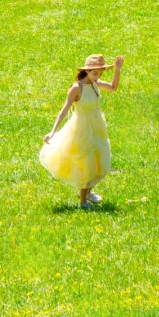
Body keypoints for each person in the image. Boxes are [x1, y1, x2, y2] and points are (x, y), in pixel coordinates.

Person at [40, 53, 124, 207]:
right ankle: (83, 201)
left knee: (102, 163)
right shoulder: (76, 88)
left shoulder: (95, 83)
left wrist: (117, 69)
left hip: (97, 126)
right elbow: (64, 110)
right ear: (86, 71)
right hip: (81, 129)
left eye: (100, 73)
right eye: (94, 73)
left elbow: (113, 87)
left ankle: (86, 191)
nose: (97, 76)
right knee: (86, 164)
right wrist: (53, 131)